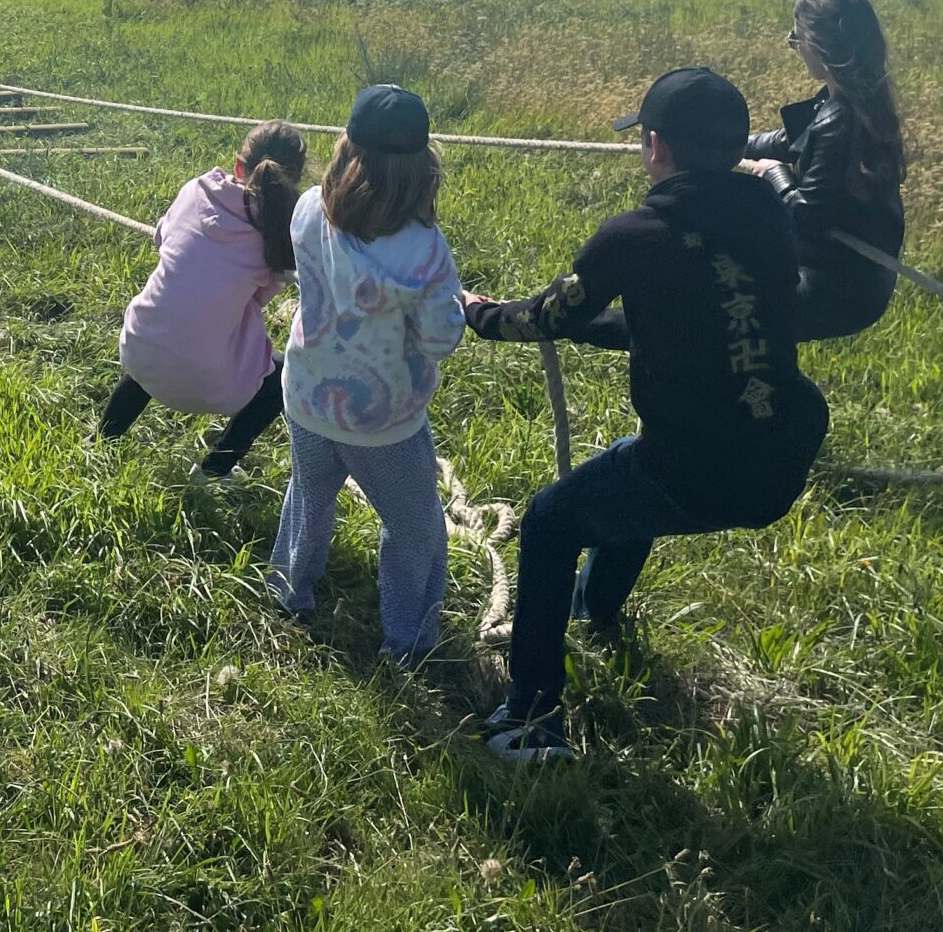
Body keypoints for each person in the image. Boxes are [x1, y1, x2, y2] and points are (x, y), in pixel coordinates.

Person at [463, 67, 825, 764]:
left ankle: (532, 720)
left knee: (548, 520)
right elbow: (685, 317)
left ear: (655, 146)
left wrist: (478, 315)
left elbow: (548, 316)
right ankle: (595, 611)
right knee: (621, 472)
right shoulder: (769, 214)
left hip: (695, 468)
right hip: (780, 455)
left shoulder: (636, 232)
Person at [268, 86, 467, 666]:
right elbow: (439, 339)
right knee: (415, 528)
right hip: (384, 424)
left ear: (345, 153)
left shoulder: (308, 208)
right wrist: (454, 305)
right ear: (422, 168)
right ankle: (407, 640)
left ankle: (289, 591)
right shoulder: (426, 251)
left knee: (308, 496)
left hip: (305, 395)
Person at [101, 122, 309, 477]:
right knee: (281, 377)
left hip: (138, 349)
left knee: (164, 330)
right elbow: (257, 299)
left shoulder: (196, 190)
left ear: (238, 165)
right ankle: (215, 471)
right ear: (296, 181)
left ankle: (103, 443)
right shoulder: (278, 232)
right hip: (209, 385)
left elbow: (162, 238)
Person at [745, 0, 907, 340]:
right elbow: (792, 140)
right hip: (864, 283)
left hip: (832, 291)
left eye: (796, 38)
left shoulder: (840, 119)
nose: (797, 48)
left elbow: (807, 217)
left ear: (818, 44)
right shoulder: (860, 100)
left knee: (721, 301)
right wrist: (733, 145)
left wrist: (772, 172)